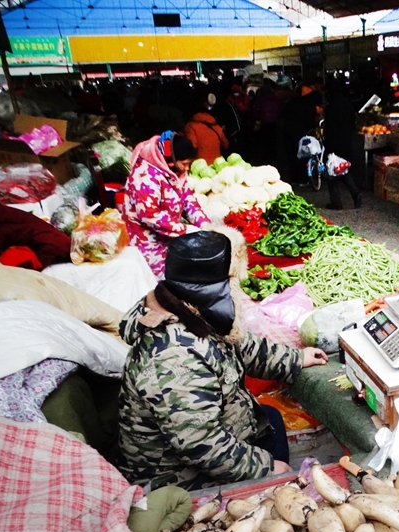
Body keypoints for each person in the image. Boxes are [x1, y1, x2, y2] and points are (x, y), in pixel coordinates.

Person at [116, 227, 329, 490]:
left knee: (270, 419)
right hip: (177, 476)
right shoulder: (173, 356)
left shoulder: (193, 311)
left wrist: (295, 358)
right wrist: (264, 467)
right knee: (276, 469)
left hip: (211, 432)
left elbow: (244, 346)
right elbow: (201, 444)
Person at [122, 130, 210, 278]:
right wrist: (185, 229)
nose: (187, 169)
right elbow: (149, 216)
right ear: (172, 158)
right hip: (145, 242)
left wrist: (205, 225)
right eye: (185, 164)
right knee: (163, 283)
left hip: (169, 236)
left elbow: (187, 198)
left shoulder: (175, 169)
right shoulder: (144, 176)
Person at [323, 78, 363, 210]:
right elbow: (353, 124)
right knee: (342, 169)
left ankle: (336, 202)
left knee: (331, 171)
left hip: (333, 143)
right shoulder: (348, 105)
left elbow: (329, 128)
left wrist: (327, 144)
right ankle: (356, 193)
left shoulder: (330, 107)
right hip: (346, 141)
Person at [184, 96, 229, 164]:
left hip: (200, 168)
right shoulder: (217, 127)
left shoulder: (191, 126)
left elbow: (191, 147)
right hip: (217, 166)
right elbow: (226, 145)